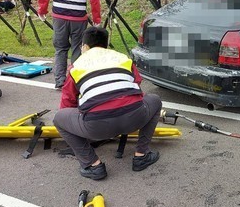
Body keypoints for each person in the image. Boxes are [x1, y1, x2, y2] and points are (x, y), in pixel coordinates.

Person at [53, 26, 162, 180]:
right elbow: (136, 86)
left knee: (59, 118)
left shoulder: (76, 66)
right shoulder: (122, 58)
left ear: (84, 46)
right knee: (155, 100)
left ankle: (93, 165)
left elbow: (68, 101)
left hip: (97, 127)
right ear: (105, 44)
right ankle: (141, 155)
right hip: (135, 118)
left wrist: (76, 130)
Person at [37, 0, 101, 89]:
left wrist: (42, 9)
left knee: (60, 49)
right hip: (79, 19)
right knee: (78, 48)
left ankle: (60, 81)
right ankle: (74, 82)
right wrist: (96, 18)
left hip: (59, 17)